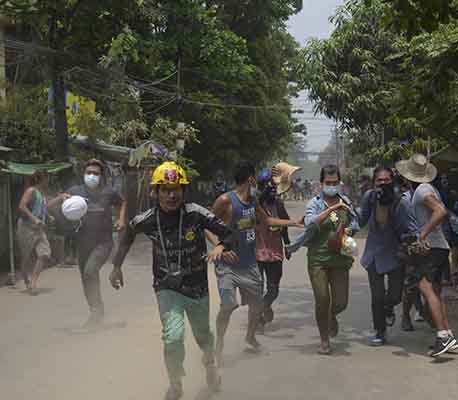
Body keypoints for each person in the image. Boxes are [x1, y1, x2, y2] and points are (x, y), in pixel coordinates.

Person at [110, 162, 232, 400]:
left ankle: (210, 367)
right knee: (173, 337)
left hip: (196, 288)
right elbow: (127, 236)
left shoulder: (196, 213)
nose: (171, 195)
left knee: (203, 336)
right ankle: (175, 383)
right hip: (166, 288)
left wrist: (220, 245)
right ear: (155, 192)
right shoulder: (147, 219)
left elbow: (230, 234)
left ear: (183, 191)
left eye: (176, 189)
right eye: (164, 189)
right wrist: (116, 266)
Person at [210, 161, 300, 363]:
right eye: (255, 177)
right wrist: (219, 247)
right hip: (228, 266)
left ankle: (250, 337)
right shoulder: (225, 200)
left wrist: (294, 222)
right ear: (250, 178)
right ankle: (219, 344)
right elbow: (207, 225)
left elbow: (267, 221)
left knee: (257, 305)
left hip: (250, 265)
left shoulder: (253, 201)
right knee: (228, 305)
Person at [396, 154, 458, 357]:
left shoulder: (422, 190)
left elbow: (440, 211)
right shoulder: (429, 188)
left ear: (408, 177)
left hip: (431, 247)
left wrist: (422, 233)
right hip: (440, 246)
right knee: (435, 293)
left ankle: (443, 336)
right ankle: (448, 334)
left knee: (426, 289)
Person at [359, 166, 418, 346]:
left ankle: (388, 308)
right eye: (379, 180)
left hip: (395, 255)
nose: (382, 183)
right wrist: (348, 227)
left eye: (386, 180)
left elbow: (411, 227)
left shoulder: (401, 202)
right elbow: (360, 219)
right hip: (374, 255)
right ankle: (380, 331)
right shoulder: (369, 198)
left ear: (392, 181)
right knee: (376, 297)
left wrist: (414, 241)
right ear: (374, 182)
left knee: (395, 296)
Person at [65, 159, 127, 329]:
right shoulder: (75, 191)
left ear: (102, 176)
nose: (91, 175)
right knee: (86, 278)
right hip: (82, 243)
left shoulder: (109, 192)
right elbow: (57, 206)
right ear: (83, 174)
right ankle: (95, 311)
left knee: (90, 270)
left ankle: (97, 311)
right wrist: (62, 200)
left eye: (96, 173)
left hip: (103, 242)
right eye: (89, 172)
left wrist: (121, 219)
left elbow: (122, 202)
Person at [304, 164, 359, 355]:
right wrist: (332, 208)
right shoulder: (315, 203)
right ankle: (324, 340)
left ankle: (332, 316)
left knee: (340, 303)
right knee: (322, 298)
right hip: (318, 259)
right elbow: (310, 223)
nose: (332, 186)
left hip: (340, 259)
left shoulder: (346, 202)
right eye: (328, 183)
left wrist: (352, 229)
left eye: (335, 182)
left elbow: (355, 222)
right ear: (321, 183)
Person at [16, 170, 66, 293]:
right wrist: (35, 219)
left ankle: (33, 282)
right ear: (41, 179)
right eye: (47, 178)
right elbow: (22, 206)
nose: (48, 181)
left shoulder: (41, 193)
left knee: (44, 253)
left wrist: (48, 216)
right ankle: (26, 280)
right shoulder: (31, 190)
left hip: (38, 229)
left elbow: (43, 207)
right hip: (26, 227)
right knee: (26, 257)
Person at [255, 168, 292, 330]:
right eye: (265, 185)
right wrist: (260, 199)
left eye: (272, 185)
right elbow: (245, 222)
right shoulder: (253, 203)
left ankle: (263, 307)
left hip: (275, 252)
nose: (269, 188)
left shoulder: (278, 203)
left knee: (273, 289)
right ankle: (258, 318)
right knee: (257, 288)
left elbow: (284, 225)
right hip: (257, 252)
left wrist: (288, 245)